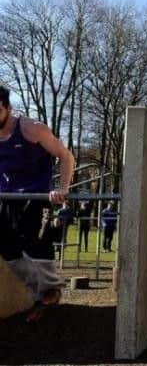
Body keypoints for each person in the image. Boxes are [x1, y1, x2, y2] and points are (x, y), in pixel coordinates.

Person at [0, 86, 74, 322]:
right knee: (7, 248)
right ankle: (40, 294)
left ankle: (51, 288)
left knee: (32, 242)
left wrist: (62, 188)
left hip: (37, 195)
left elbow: (66, 156)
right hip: (7, 196)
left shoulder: (32, 129)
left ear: (8, 108)